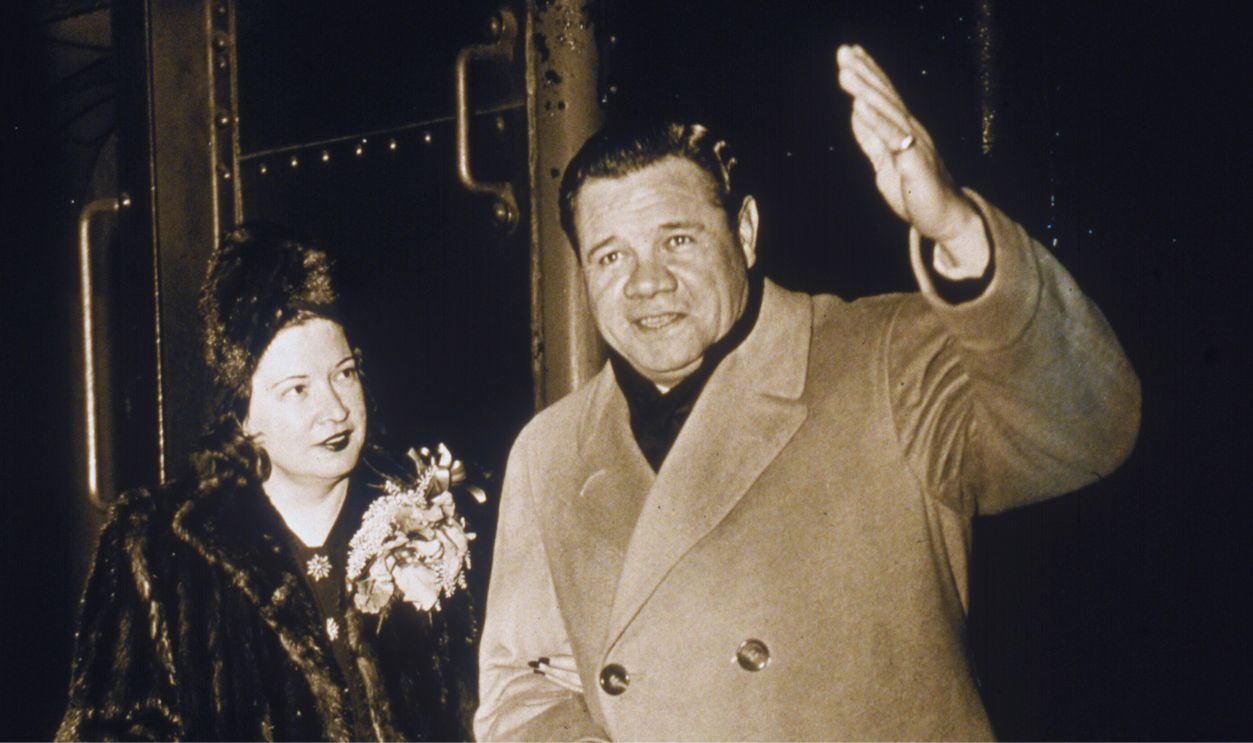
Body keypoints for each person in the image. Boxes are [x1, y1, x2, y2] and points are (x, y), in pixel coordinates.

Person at [475, 44, 1141, 740]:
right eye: (611, 255)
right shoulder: (550, 450)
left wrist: (957, 232)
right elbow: (523, 687)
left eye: (677, 241)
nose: (647, 283)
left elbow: (1088, 430)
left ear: (745, 233)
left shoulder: (882, 356)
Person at [57, 225, 477, 740]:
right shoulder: (162, 545)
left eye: (345, 373)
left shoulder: (422, 508)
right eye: (297, 389)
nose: (336, 409)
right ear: (241, 412)